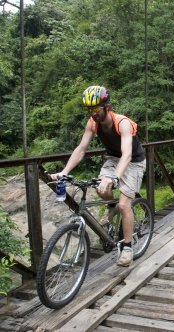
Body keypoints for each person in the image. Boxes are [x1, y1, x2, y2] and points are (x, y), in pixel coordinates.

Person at [50, 85, 146, 267]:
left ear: (107, 106)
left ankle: (127, 247)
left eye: (95, 109)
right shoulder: (92, 123)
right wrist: (64, 172)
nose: (92, 113)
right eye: (89, 109)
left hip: (133, 162)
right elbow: (81, 149)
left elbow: (127, 154)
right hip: (112, 159)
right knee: (101, 189)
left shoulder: (122, 123)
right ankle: (111, 208)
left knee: (125, 205)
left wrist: (115, 178)